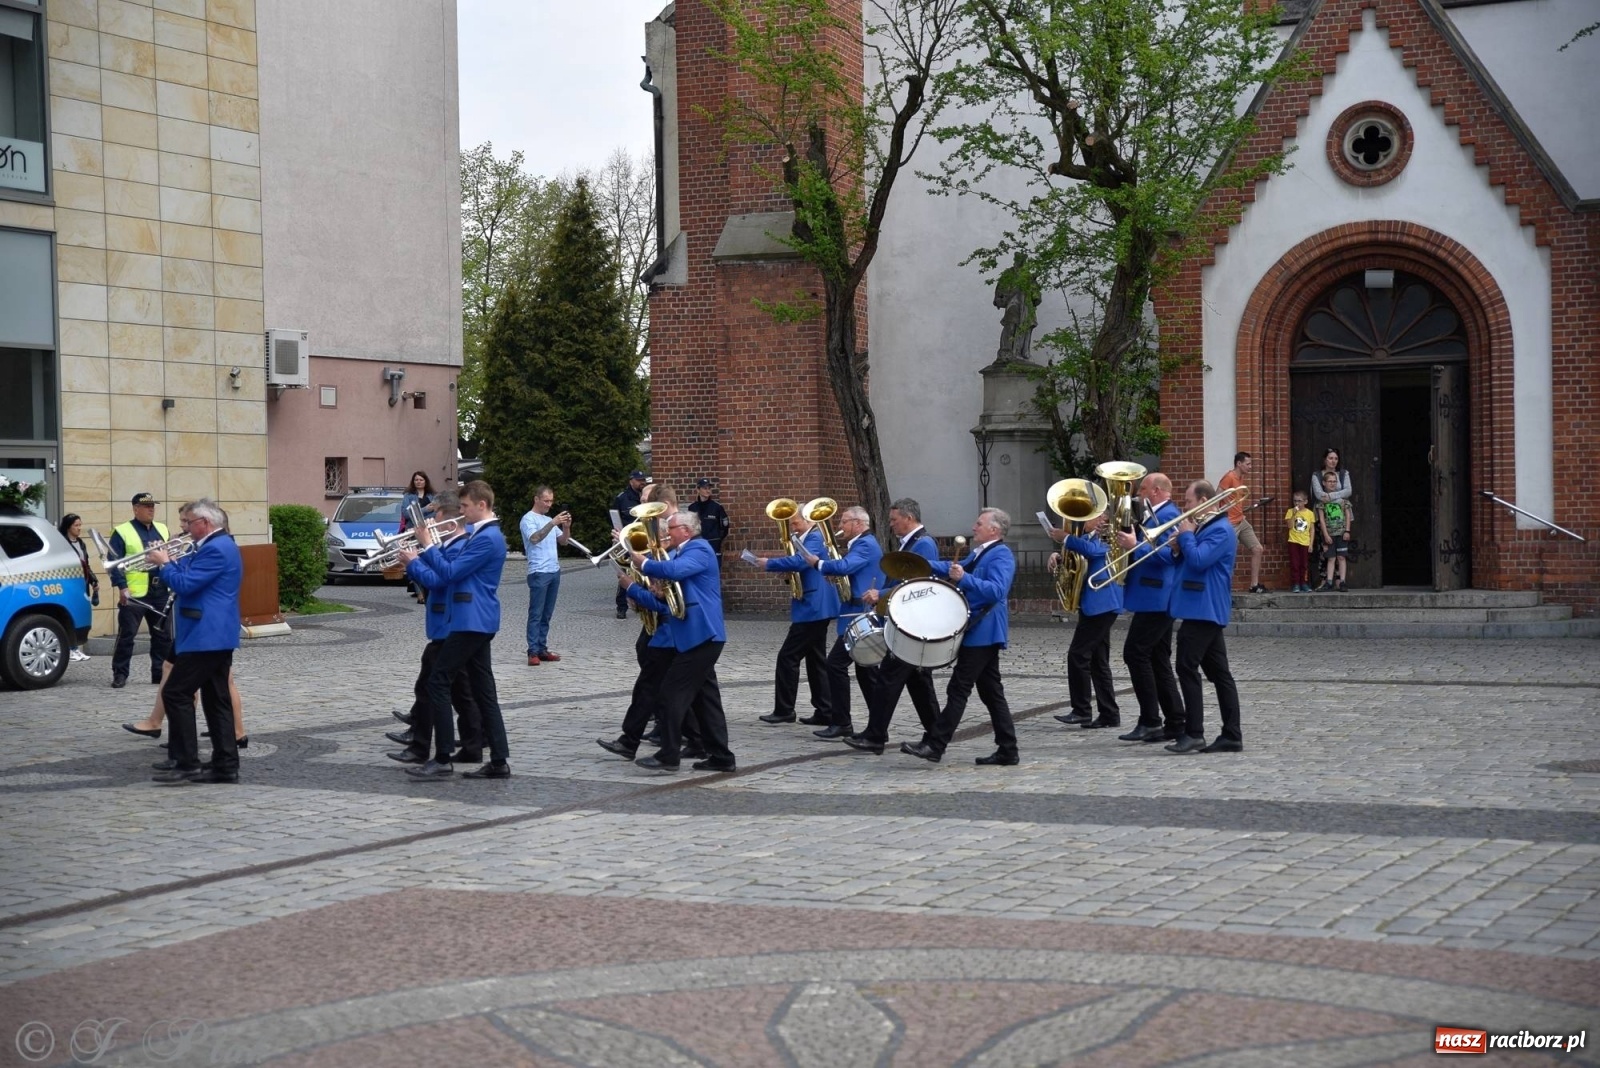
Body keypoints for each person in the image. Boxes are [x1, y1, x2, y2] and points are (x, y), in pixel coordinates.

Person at [398, 480, 511, 780]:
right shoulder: (482, 534)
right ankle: (498, 761)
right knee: (484, 692)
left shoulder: (487, 538)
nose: (461, 512)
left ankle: (443, 758)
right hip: (474, 619)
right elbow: (452, 566)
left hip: (471, 619)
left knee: (438, 682)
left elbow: (450, 573)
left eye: (464, 507)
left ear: (481, 505)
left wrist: (428, 545)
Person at [901, 508, 1018, 766]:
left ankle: (936, 744)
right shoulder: (981, 552)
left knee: (959, 689)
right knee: (991, 692)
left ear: (994, 530)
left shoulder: (1001, 554)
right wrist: (918, 564)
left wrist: (964, 578)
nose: (973, 527)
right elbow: (951, 567)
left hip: (984, 632)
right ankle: (1008, 748)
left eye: (979, 523)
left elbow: (997, 591)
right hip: (979, 631)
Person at [626, 511, 737, 773]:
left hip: (702, 634)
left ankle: (668, 755)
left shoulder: (699, 548)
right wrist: (659, 591)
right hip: (694, 635)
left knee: (669, 694)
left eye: (672, 527)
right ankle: (721, 756)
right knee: (705, 701)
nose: (667, 532)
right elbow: (678, 585)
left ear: (686, 530)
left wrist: (644, 564)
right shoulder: (684, 550)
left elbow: (675, 570)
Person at [146, 499, 243, 784]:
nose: (184, 528)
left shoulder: (217, 548)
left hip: (207, 635)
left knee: (176, 693)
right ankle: (225, 766)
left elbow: (185, 584)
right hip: (211, 634)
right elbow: (188, 572)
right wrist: (167, 558)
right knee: (216, 700)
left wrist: (165, 564)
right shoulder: (213, 546)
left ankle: (187, 762)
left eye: (188, 523)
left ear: (205, 523)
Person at [385, 490, 485, 765]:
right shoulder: (447, 547)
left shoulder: (458, 546)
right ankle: (472, 745)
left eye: (435, 519)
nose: (430, 525)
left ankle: (422, 748)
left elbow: (440, 581)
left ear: (449, 522)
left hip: (449, 627)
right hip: (448, 626)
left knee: (429, 689)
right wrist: (413, 558)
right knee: (460, 693)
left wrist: (414, 563)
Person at [845, 498, 942, 754]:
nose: (891, 525)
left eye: (894, 519)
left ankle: (876, 736)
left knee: (889, 679)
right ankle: (935, 736)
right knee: (919, 684)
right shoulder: (912, 543)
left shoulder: (924, 544)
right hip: (907, 622)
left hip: (913, 624)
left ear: (908, 518)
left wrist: (882, 593)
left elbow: (919, 584)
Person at [1165, 480, 1243, 754]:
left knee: (1186, 667)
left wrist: (1186, 536)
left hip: (1204, 608)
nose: (1184, 507)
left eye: (1188, 501)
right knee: (1219, 674)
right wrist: (1177, 548)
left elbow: (1198, 561)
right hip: (1199, 607)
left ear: (1203, 500)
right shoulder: (1206, 527)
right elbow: (1188, 559)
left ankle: (1194, 733)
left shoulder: (1220, 530)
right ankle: (1231, 734)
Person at [1110, 472, 1184, 743]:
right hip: (1150, 594)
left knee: (1135, 653)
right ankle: (1175, 720)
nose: (1138, 495)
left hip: (1157, 595)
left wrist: (1135, 545)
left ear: (1155, 491)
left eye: (1142, 489)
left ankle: (1151, 719)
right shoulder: (1154, 514)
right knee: (1158, 659)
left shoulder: (1167, 516)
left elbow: (1170, 556)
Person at [799, 505, 883, 741]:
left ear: (857, 523)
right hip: (855, 610)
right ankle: (877, 724)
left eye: (843, 521)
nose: (839, 526)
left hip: (859, 612)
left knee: (835, 665)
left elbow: (847, 566)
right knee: (867, 673)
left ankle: (842, 722)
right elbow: (850, 571)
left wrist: (819, 564)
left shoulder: (865, 544)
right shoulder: (860, 543)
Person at [752, 509, 839, 726]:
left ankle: (785, 709)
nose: (792, 527)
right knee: (815, 660)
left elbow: (801, 562)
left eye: (795, 523)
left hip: (814, 607)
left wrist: (769, 564)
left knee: (787, 657)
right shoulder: (807, 538)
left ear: (808, 520)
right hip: (814, 606)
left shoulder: (816, 537)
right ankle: (825, 709)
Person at [1049, 511, 1123, 729]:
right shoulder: (1085, 538)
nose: (1081, 521)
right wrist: (1059, 556)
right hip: (1093, 604)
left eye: (1090, 516)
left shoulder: (1108, 537)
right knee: (1098, 662)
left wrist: (1065, 538)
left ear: (1102, 520)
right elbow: (1077, 556)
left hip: (1103, 603)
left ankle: (1081, 710)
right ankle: (1109, 714)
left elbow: (1093, 552)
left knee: (1077, 655)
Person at [108, 492, 173, 688]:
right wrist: (122, 587)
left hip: (160, 589)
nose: (151, 509)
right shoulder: (122, 531)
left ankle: (158, 674)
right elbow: (113, 562)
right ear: (136, 508)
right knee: (127, 636)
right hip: (135, 592)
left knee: (162, 636)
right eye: (147, 506)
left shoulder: (162, 528)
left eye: (153, 505)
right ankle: (120, 674)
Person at [519, 485, 572, 666]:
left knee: (546, 614)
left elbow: (563, 542)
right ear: (536, 499)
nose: (549, 504)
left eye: (551, 501)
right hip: (538, 571)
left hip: (553, 570)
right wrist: (553, 523)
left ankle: (542, 648)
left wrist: (566, 527)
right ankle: (532, 650)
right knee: (536, 613)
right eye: (546, 501)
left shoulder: (550, 519)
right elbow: (534, 538)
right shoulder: (528, 519)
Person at [1218, 452, 1266, 593]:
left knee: (1257, 549)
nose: (1250, 467)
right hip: (1230, 523)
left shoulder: (1240, 477)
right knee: (1229, 556)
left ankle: (1254, 585)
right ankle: (1225, 590)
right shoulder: (1229, 477)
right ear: (1239, 464)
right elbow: (1217, 495)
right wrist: (1223, 515)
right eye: (1248, 464)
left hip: (1241, 520)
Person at [57, 513, 98, 663]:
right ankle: (70, 649)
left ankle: (74, 648)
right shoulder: (62, 543)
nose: (79, 528)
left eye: (80, 525)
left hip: (82, 583)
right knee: (69, 615)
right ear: (68, 526)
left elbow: (86, 565)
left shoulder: (81, 543)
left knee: (79, 615)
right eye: (76, 525)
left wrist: (94, 580)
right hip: (69, 584)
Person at [612, 470, 649, 618]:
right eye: (639, 480)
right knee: (626, 572)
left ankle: (645, 604)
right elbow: (615, 519)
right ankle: (621, 606)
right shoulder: (622, 498)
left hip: (645, 541)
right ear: (631, 481)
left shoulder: (646, 497)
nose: (642, 482)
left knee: (646, 573)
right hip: (628, 541)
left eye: (643, 480)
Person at [1316, 472, 1355, 592]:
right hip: (1330, 534)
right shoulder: (1322, 502)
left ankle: (1342, 581)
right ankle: (1329, 582)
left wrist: (1347, 531)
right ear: (1324, 483)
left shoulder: (1343, 501)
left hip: (1341, 533)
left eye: (1334, 481)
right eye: (1329, 481)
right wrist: (1325, 535)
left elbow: (1348, 515)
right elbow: (1321, 520)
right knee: (1331, 558)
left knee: (1341, 557)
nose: (1332, 484)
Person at [687, 478, 730, 558]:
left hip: (713, 546)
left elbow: (725, 527)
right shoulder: (692, 508)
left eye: (709, 488)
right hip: (697, 546)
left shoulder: (717, 507)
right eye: (705, 488)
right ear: (698, 490)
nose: (708, 491)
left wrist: (717, 540)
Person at [1285, 490, 1316, 593]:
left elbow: (1312, 529)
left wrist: (1311, 544)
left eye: (1299, 501)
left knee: (1304, 564)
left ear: (1305, 501)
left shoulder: (1310, 513)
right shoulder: (1290, 511)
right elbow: (1289, 526)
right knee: (1295, 563)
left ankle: (1304, 583)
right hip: (1293, 541)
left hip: (1305, 542)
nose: (1297, 503)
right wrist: (1293, 514)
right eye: (1295, 501)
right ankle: (1296, 584)